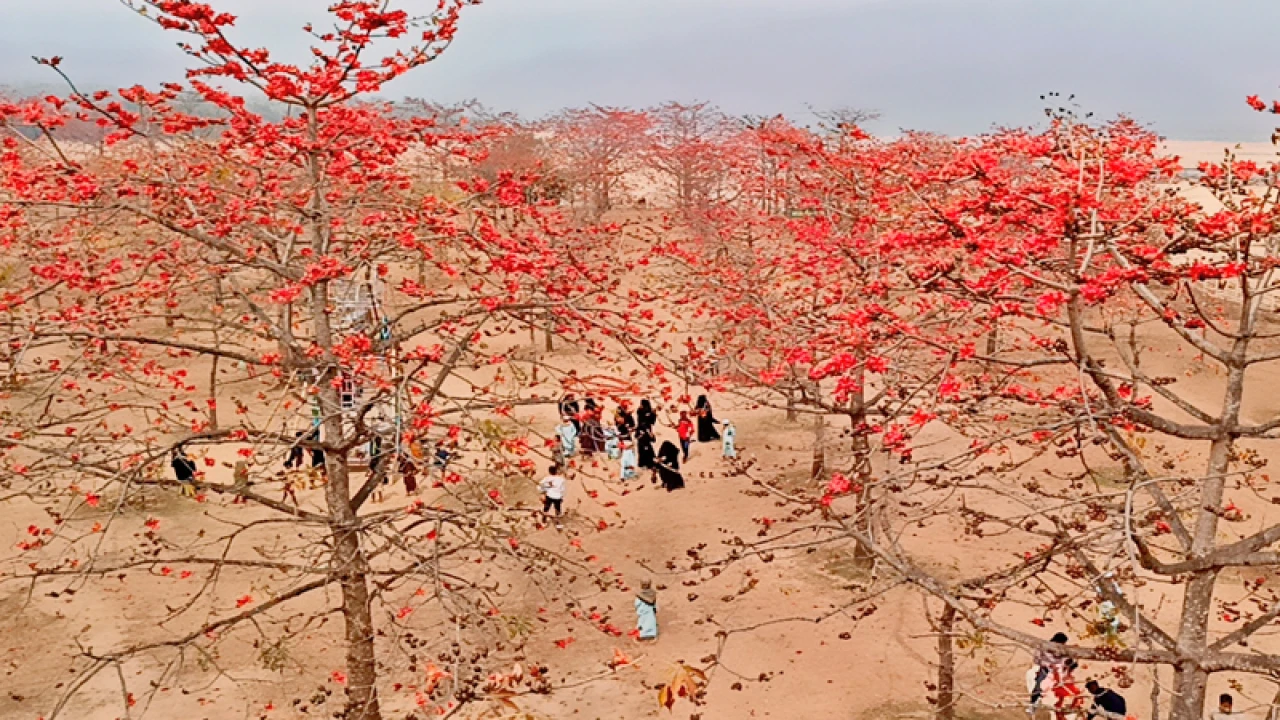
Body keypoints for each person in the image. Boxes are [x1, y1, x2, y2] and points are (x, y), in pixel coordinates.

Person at [1028, 632, 1078, 714]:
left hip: (1058, 671)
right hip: (1045, 669)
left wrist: (1068, 662)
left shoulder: (1062, 650)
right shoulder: (1044, 647)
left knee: (1065, 687)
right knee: (1038, 687)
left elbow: (1064, 661)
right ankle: (1032, 705)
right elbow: (1036, 659)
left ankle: (1060, 707)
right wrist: (1049, 665)